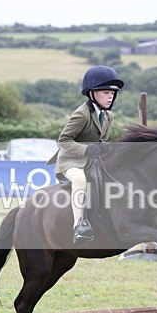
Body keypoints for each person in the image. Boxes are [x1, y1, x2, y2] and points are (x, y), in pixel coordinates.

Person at [48, 65, 123, 244]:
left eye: (112, 93)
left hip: (92, 159)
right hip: (71, 161)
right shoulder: (81, 114)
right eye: (105, 92)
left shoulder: (108, 115)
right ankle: (79, 224)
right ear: (91, 93)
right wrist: (86, 150)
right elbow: (64, 140)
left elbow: (101, 140)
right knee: (80, 179)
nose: (110, 96)